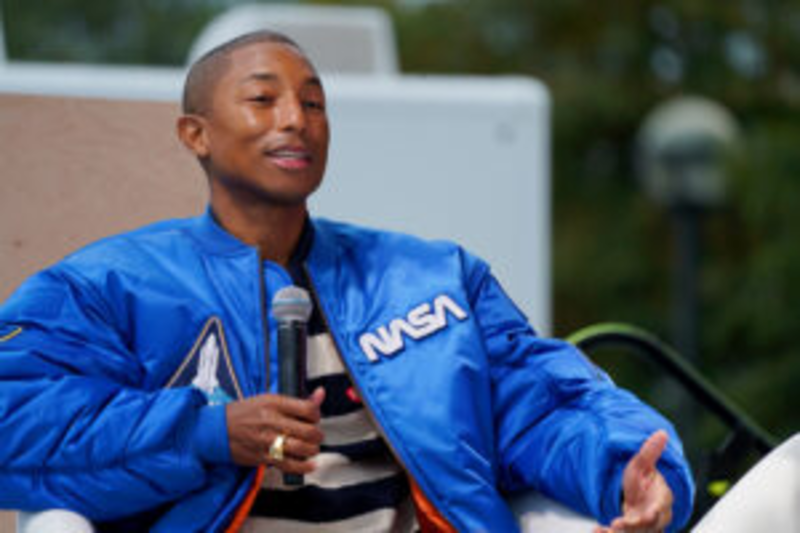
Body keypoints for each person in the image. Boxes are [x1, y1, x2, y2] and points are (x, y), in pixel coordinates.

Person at [0, 30, 695, 532]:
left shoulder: (432, 276)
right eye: (262, 99)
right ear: (195, 134)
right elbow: (14, 422)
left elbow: (541, 404)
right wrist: (207, 431)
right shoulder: (108, 285)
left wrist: (627, 473)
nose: (295, 120)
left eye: (313, 103)